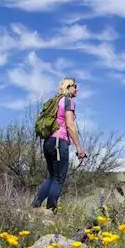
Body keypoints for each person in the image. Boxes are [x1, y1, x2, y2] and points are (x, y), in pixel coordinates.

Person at [32, 77, 87, 212]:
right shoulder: (68, 101)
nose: (77, 89)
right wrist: (79, 148)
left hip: (48, 142)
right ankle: (51, 210)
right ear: (68, 87)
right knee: (59, 178)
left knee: (51, 176)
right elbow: (69, 125)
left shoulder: (55, 101)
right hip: (59, 142)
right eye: (74, 86)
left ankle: (35, 205)